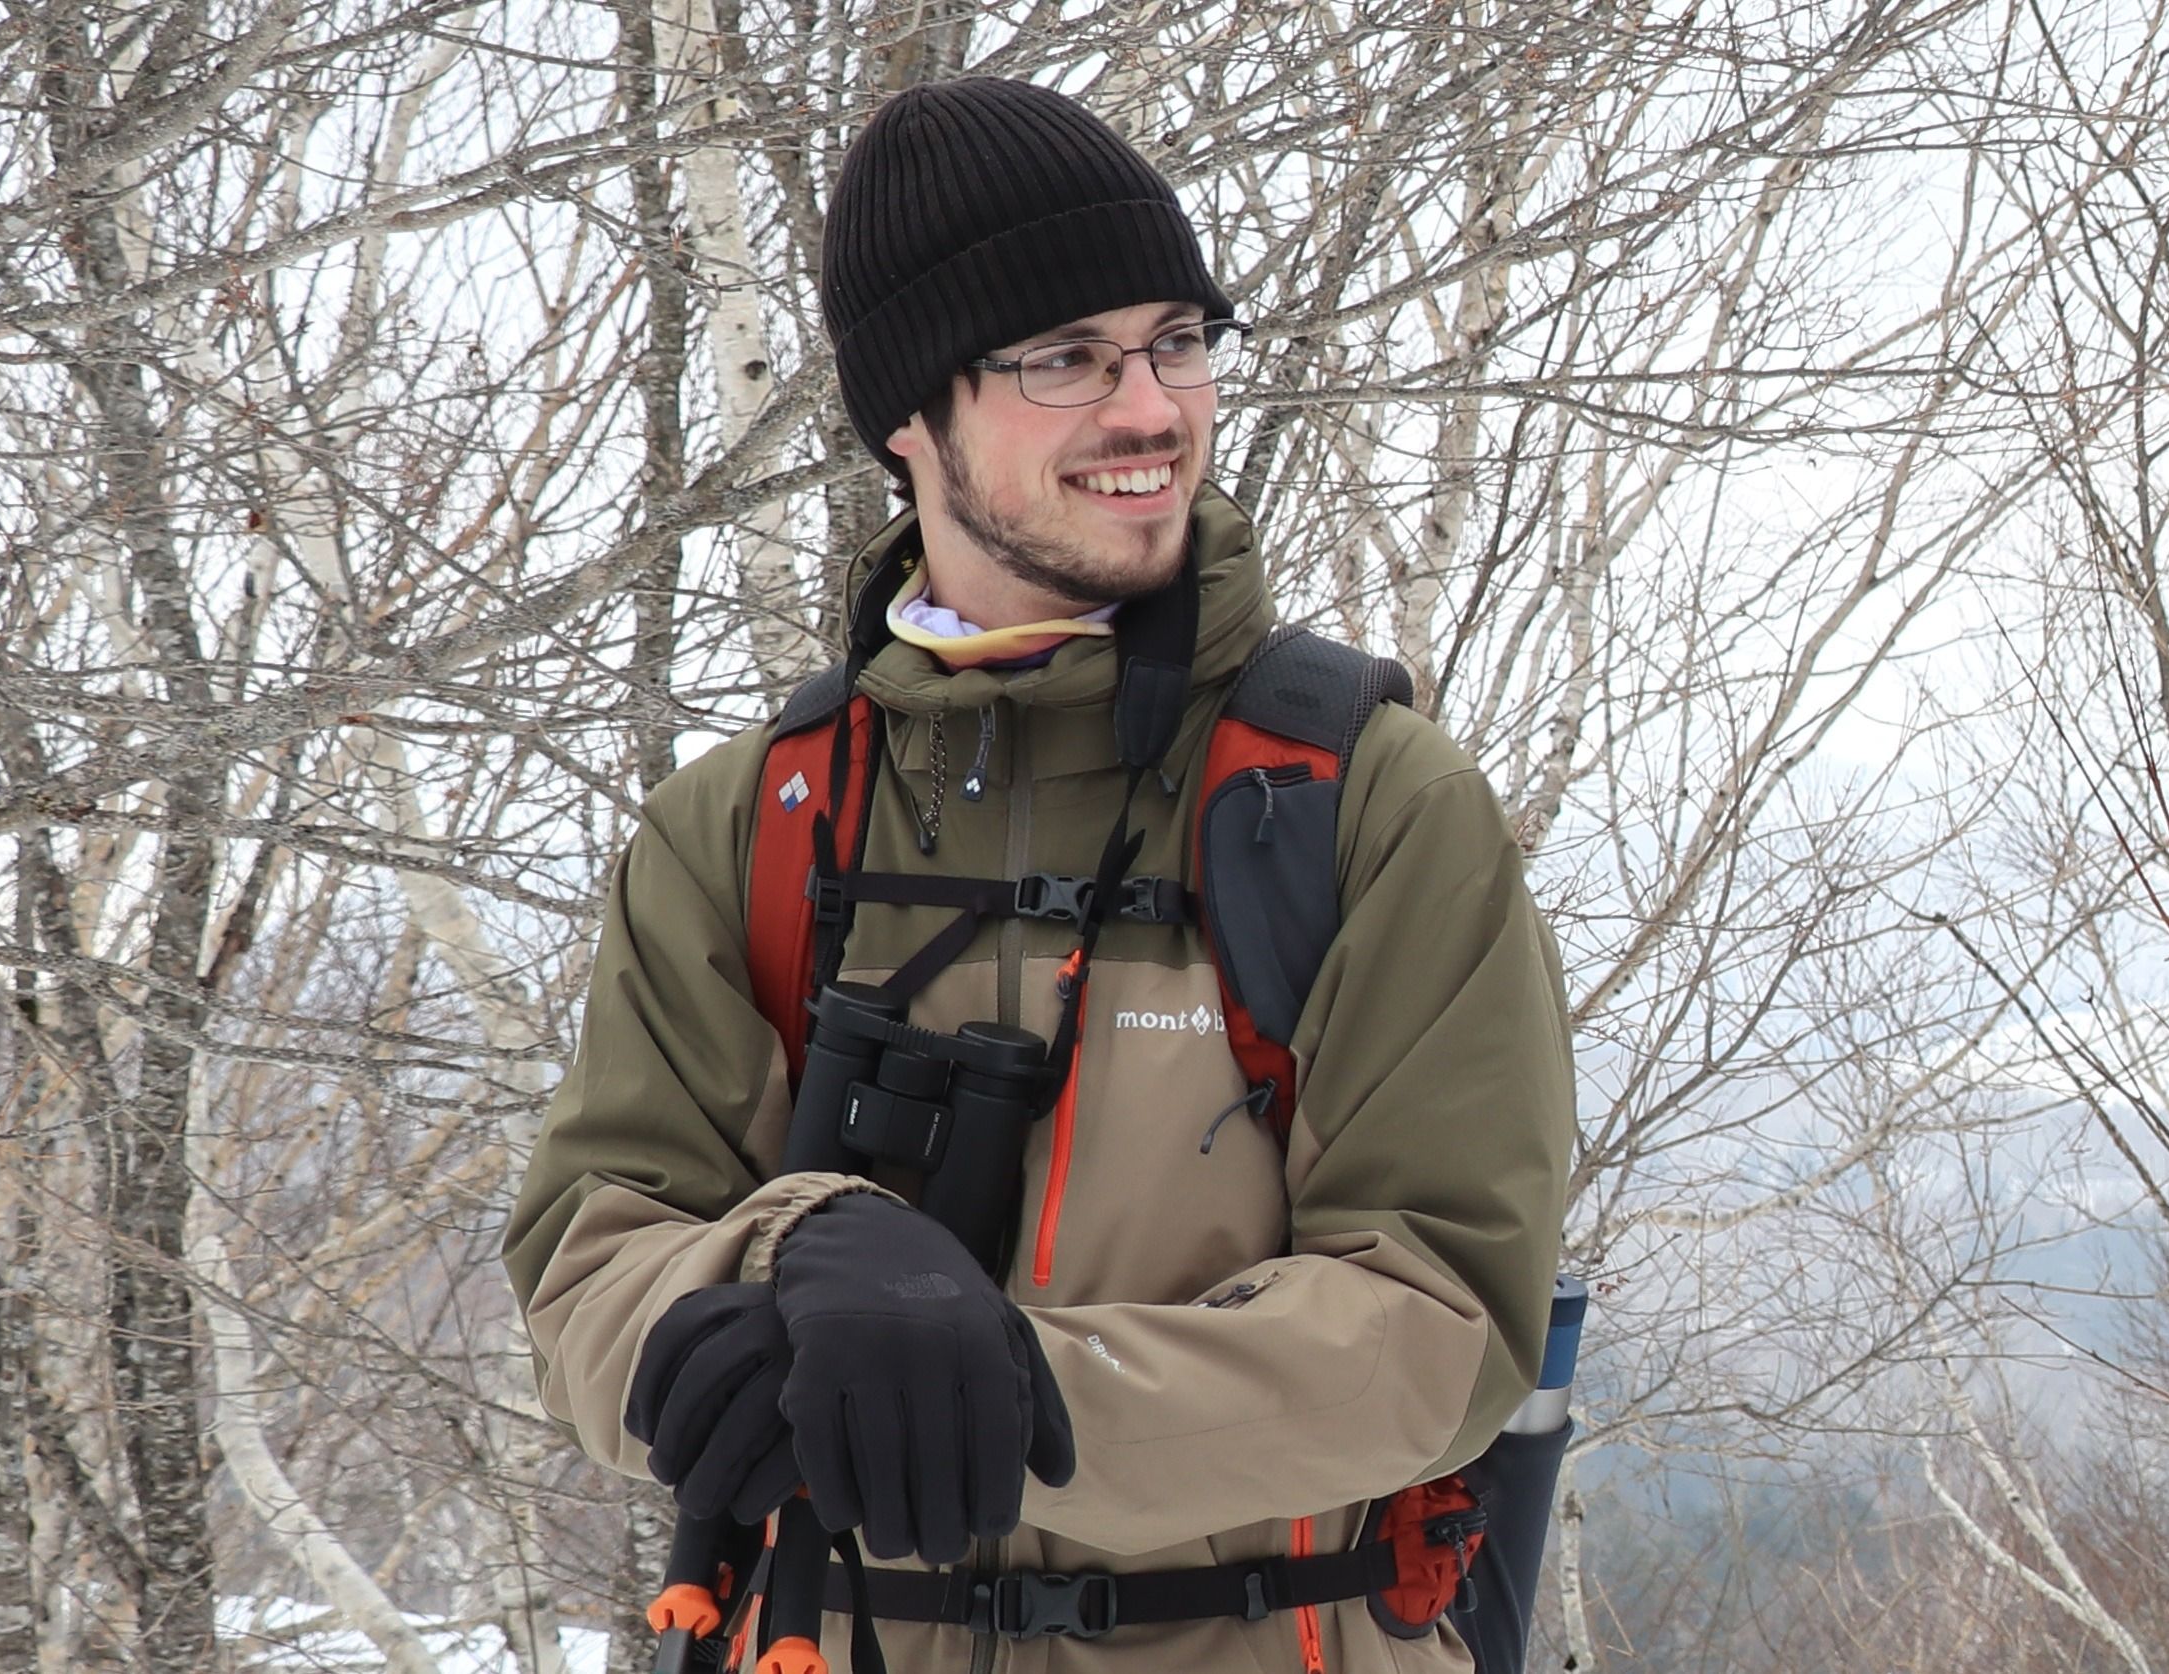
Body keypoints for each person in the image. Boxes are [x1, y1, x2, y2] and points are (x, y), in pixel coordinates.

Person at [503, 74, 1576, 1674]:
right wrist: (770, 1268)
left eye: (1177, 341)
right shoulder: (753, 824)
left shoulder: (1357, 804)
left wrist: (1026, 1390)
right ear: (910, 415)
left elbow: (1443, 1320)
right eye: (1064, 357)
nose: (1150, 410)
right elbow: (594, 1253)